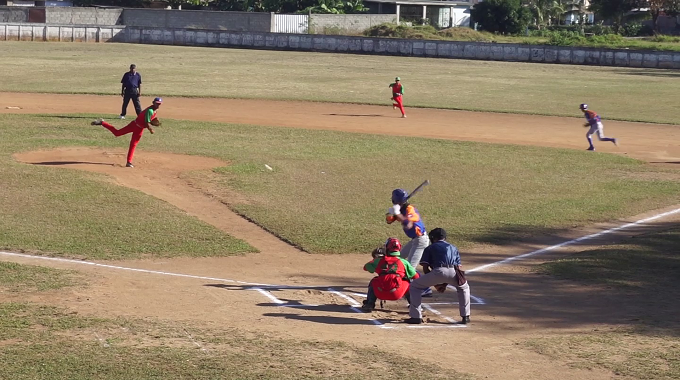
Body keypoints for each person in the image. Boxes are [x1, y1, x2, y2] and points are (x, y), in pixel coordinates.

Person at [406, 228, 470, 325]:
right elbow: (454, 269)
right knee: (464, 288)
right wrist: (443, 284)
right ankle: (466, 316)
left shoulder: (430, 248)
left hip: (438, 271)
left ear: (433, 238)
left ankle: (416, 317)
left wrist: (434, 283)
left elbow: (426, 267)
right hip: (453, 272)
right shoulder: (453, 247)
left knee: (415, 286)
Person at [386, 188, 432, 297]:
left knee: (410, 268)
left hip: (421, 240)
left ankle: (425, 288)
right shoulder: (400, 209)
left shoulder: (410, 209)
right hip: (414, 240)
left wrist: (398, 214)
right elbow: (388, 220)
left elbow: (409, 224)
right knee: (398, 259)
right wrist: (392, 212)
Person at [91, 97, 162, 168]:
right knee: (117, 133)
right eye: (157, 103)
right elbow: (146, 123)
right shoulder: (150, 110)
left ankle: (129, 162)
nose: (158, 105)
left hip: (139, 129)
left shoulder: (155, 111)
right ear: (153, 102)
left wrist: (152, 122)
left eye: (159, 104)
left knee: (133, 144)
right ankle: (102, 123)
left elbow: (146, 120)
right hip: (134, 125)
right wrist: (150, 129)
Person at [361, 237, 419, 311]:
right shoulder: (404, 262)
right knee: (408, 283)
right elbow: (416, 277)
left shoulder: (379, 261)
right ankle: (413, 305)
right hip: (397, 293)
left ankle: (370, 303)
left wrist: (375, 260)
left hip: (380, 292)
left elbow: (366, 267)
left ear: (387, 248)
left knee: (374, 281)